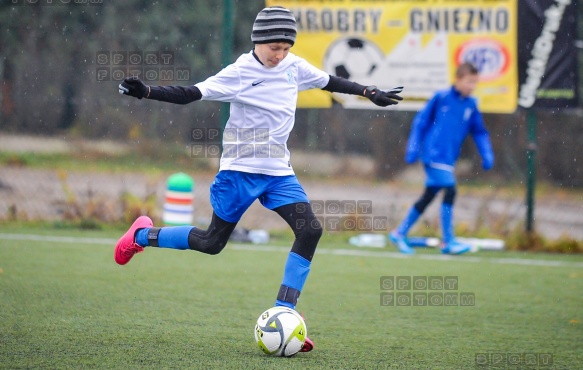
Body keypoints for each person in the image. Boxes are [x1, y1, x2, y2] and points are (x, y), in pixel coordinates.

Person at [116, 6, 403, 352]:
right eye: (274, 49)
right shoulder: (240, 71)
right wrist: (147, 91)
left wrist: (369, 91)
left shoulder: (293, 66)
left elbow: (330, 81)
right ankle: (143, 235)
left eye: (285, 48)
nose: (280, 56)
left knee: (310, 229)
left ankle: (285, 312)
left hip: (278, 174)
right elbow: (192, 93)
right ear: (258, 42)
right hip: (238, 173)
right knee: (212, 243)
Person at [389, 62, 493, 255]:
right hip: (433, 154)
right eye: (469, 81)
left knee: (429, 196)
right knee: (450, 190)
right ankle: (448, 241)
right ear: (458, 79)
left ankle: (399, 232)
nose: (472, 86)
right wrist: (413, 147)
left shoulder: (471, 104)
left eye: (475, 83)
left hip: (449, 159)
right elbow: (420, 122)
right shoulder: (441, 98)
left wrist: (486, 153)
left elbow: (479, 131)